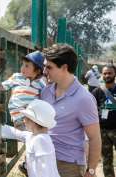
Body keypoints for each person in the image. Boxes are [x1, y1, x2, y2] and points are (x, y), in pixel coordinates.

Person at [42, 44, 101, 177]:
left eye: (49, 67)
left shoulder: (83, 99)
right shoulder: (46, 91)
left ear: (64, 68)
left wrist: (91, 170)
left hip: (68, 166)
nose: (44, 71)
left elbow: (94, 137)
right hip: (44, 158)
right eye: (44, 66)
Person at [1, 99, 60, 177]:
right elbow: (14, 133)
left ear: (34, 121)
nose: (24, 121)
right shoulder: (33, 136)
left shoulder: (41, 140)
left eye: (26, 118)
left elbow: (45, 169)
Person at [1, 51, 46, 130]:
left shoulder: (41, 84)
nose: (22, 68)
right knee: (27, 135)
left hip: (33, 118)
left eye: (27, 66)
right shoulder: (17, 77)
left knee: (32, 135)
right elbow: (3, 86)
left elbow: (44, 99)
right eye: (23, 64)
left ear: (38, 71)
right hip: (18, 117)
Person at [92, 65, 116, 177]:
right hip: (103, 131)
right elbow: (90, 110)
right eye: (105, 73)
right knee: (106, 160)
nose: (107, 75)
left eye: (109, 73)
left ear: (114, 74)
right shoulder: (97, 91)